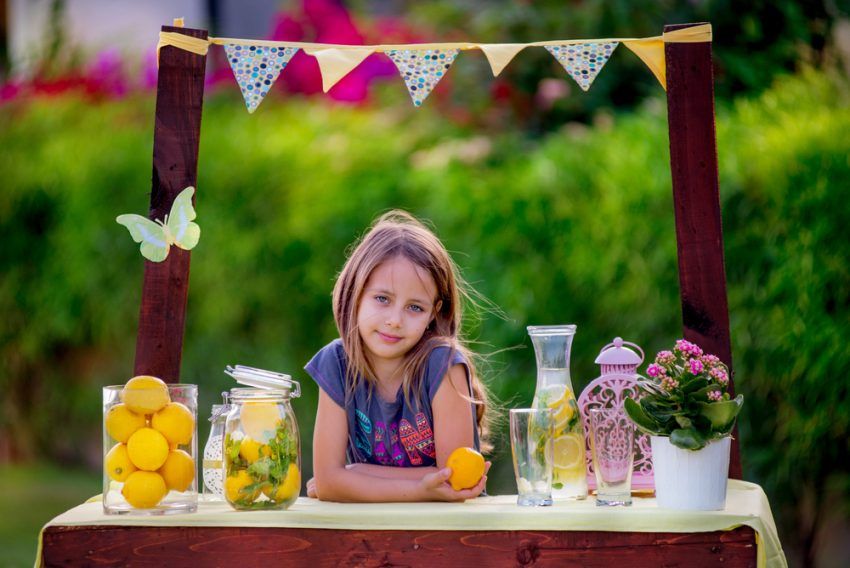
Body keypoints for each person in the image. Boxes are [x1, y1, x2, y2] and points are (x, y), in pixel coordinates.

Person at [304, 210, 493, 502]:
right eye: (382, 299)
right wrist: (421, 486)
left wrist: (357, 472)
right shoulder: (336, 364)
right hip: (368, 536)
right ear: (355, 292)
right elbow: (328, 482)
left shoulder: (443, 365)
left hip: (450, 533)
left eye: (414, 307)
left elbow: (455, 479)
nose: (395, 320)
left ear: (433, 313)